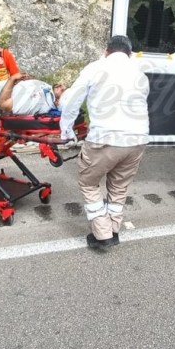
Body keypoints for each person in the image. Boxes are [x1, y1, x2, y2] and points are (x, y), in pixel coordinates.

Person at [59, 35, 149, 250]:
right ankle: (114, 230)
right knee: (119, 186)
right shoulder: (140, 73)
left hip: (105, 139)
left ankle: (102, 235)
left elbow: (72, 100)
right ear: (129, 53)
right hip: (137, 140)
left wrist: (66, 130)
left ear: (106, 51)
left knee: (89, 183)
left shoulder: (96, 67)